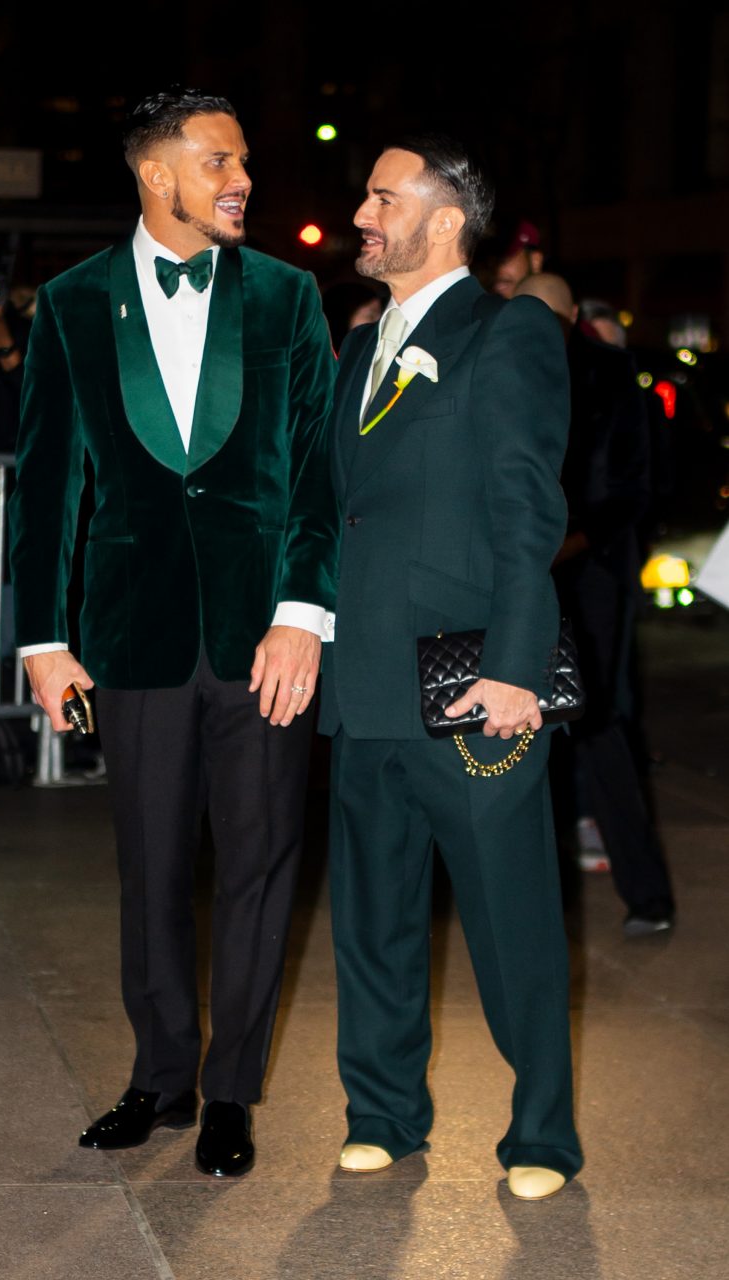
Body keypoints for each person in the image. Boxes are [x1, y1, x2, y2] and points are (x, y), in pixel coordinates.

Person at [8, 88, 339, 1178]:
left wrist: (301, 612)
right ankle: (161, 1074)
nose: (241, 180)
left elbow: (315, 474)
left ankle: (230, 1089)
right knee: (148, 867)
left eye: (243, 161)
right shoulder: (69, 302)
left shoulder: (290, 299)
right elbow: (48, 481)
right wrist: (41, 636)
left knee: (256, 862)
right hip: (134, 632)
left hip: (264, 638)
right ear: (157, 175)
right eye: (219, 162)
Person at [318, 135, 583, 1199]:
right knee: (369, 914)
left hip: (473, 689)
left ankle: (540, 1135)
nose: (360, 214)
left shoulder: (509, 332)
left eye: (381, 196)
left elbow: (529, 511)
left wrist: (517, 668)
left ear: (441, 219)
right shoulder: (360, 346)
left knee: (509, 918)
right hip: (365, 685)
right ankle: (382, 1110)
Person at [514, 272, 675, 935]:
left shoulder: (610, 373)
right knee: (521, 733)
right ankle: (538, 905)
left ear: (572, 315)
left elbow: (634, 487)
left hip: (589, 575)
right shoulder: (504, 368)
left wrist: (570, 543)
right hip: (521, 574)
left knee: (594, 726)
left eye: (549, 315)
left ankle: (646, 895)